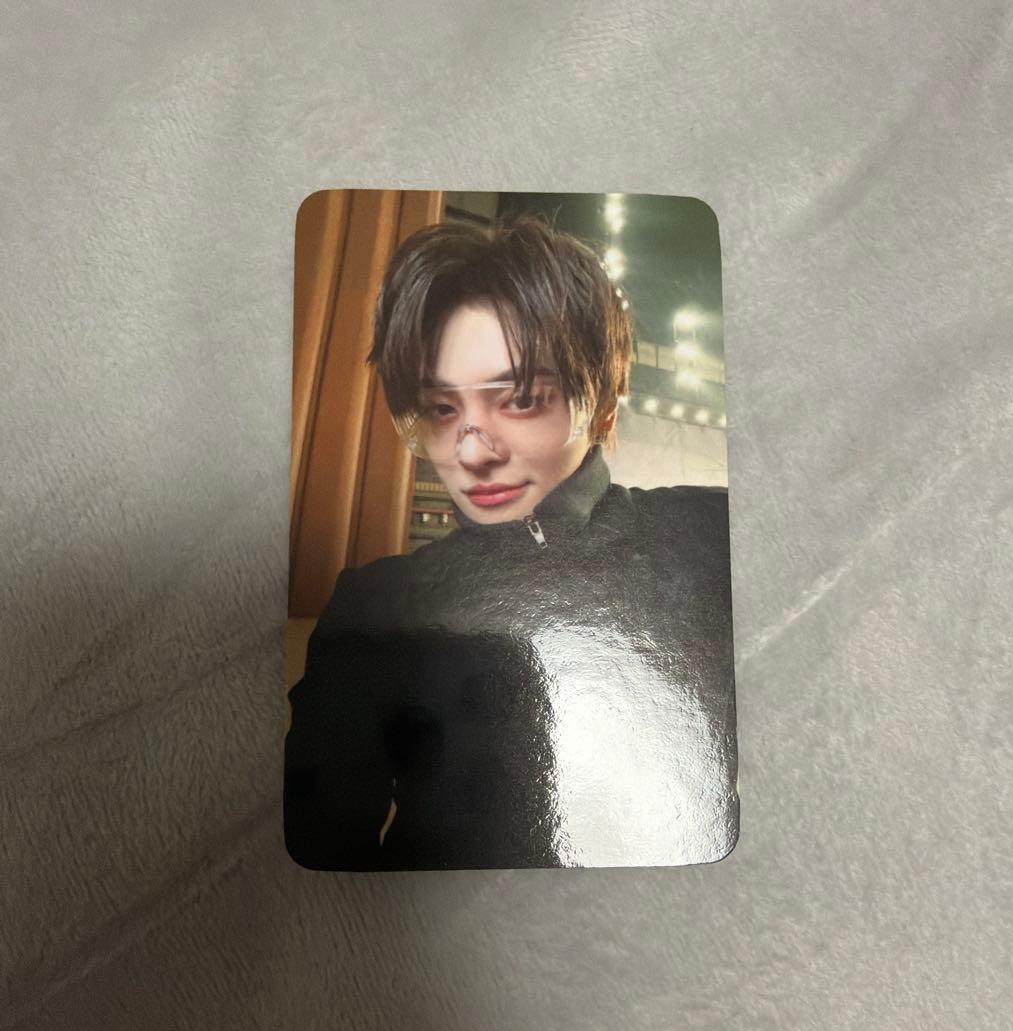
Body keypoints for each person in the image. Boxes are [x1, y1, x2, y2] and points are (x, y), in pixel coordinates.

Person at [284, 214, 737, 871]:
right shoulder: (378, 605)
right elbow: (321, 865)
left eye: (520, 399)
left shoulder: (711, 540)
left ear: (603, 406)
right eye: (442, 409)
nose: (471, 451)